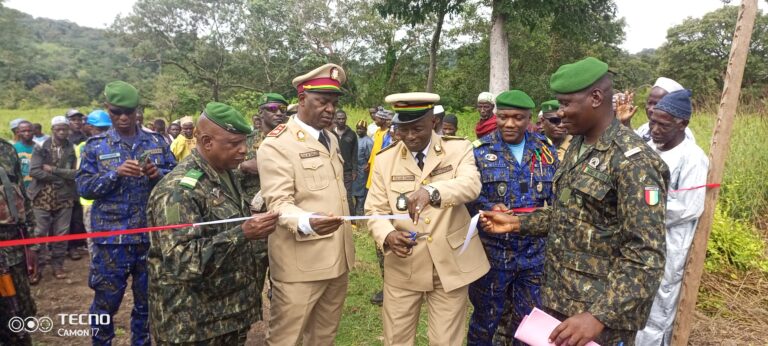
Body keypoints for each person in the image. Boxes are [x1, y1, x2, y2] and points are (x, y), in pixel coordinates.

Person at [479, 57, 669, 346]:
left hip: (597, 320)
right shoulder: (578, 147)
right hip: (559, 302)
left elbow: (646, 256)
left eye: (566, 104)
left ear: (595, 98)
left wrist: (598, 316)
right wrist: (517, 222)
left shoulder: (634, 162)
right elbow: (568, 215)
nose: (559, 113)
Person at [147, 102, 279, 345]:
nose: (243, 150)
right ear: (207, 142)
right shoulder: (178, 191)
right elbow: (182, 261)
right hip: (193, 326)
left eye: (244, 142)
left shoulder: (226, 174)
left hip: (228, 316)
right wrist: (243, 233)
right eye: (234, 144)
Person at [366, 92, 489, 345]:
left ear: (433, 122)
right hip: (404, 263)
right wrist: (387, 235)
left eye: (417, 129)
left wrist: (432, 191)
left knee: (447, 341)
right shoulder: (385, 160)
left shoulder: (458, 148)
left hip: (450, 263)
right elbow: (374, 210)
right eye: (403, 130)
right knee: (397, 338)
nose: (410, 137)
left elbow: (470, 185)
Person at [257, 63, 353, 346]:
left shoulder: (332, 139)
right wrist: (307, 221)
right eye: (322, 101)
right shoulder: (277, 144)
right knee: (286, 338)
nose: (330, 109)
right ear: (301, 100)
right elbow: (279, 202)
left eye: (333, 103)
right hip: (301, 263)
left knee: (323, 337)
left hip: (337, 258)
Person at [76, 80, 176, 345]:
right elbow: (84, 188)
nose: (122, 118)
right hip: (112, 241)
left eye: (128, 112)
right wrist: (114, 174)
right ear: (108, 110)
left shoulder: (156, 142)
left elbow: (175, 179)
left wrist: (158, 174)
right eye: (116, 112)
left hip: (150, 239)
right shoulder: (95, 146)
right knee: (105, 305)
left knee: (147, 305)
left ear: (137, 111)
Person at [467, 90, 558, 346]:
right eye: (504, 117)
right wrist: (487, 206)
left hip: (533, 255)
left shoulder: (545, 150)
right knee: (486, 321)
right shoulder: (479, 152)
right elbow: (468, 198)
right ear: (496, 116)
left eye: (518, 118)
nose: (510, 124)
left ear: (529, 118)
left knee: (530, 322)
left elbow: (557, 196)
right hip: (492, 254)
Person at [635, 90, 708, 346]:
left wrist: (643, 203)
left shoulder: (693, 158)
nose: (654, 129)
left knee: (657, 313)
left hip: (669, 246)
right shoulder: (647, 149)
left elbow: (689, 207)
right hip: (638, 243)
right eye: (652, 121)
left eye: (662, 125)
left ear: (682, 124)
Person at [27, 115, 77, 283]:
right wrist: (59, 179)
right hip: (42, 196)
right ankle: (37, 268)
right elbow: (34, 171)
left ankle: (58, 265)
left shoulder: (71, 148)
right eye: (59, 129)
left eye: (65, 129)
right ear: (52, 130)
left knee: (62, 233)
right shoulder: (42, 147)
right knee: (39, 233)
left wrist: (54, 171)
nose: (62, 132)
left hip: (65, 197)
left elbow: (75, 173)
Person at [0, 137, 36, 346]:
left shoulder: (6, 150)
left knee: (20, 312)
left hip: (12, 247)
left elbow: (22, 195)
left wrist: (30, 245)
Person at [238, 92, 288, 204]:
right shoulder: (247, 141)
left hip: (285, 203)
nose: (279, 113)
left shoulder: (293, 140)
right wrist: (242, 167)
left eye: (283, 109)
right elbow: (228, 173)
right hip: (253, 208)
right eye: (273, 109)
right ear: (260, 112)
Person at [616, 77, 695, 142]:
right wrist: (625, 123)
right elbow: (637, 146)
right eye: (650, 103)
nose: (651, 109)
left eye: (657, 104)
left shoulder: (682, 136)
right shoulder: (645, 128)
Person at [76, 110, 112, 240]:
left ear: (90, 126)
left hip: (91, 201)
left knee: (94, 239)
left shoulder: (86, 146)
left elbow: (80, 176)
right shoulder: (116, 144)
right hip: (106, 199)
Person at [334, 109, 358, 213]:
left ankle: (352, 220)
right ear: (335, 119)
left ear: (346, 119)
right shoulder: (330, 133)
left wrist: (354, 170)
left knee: (348, 195)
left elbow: (354, 153)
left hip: (347, 170)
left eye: (343, 118)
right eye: (339, 118)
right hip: (334, 169)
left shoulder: (351, 134)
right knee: (335, 194)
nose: (341, 121)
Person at [366, 108, 394, 189]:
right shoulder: (378, 131)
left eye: (377, 119)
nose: (375, 121)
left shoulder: (388, 135)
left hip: (382, 164)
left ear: (383, 120)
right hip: (374, 162)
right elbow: (374, 148)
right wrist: (369, 162)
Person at [12, 121, 35, 189]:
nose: (27, 133)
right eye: (23, 131)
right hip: (19, 188)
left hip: (36, 188)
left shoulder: (39, 148)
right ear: (18, 132)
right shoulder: (13, 148)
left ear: (33, 131)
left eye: (29, 131)